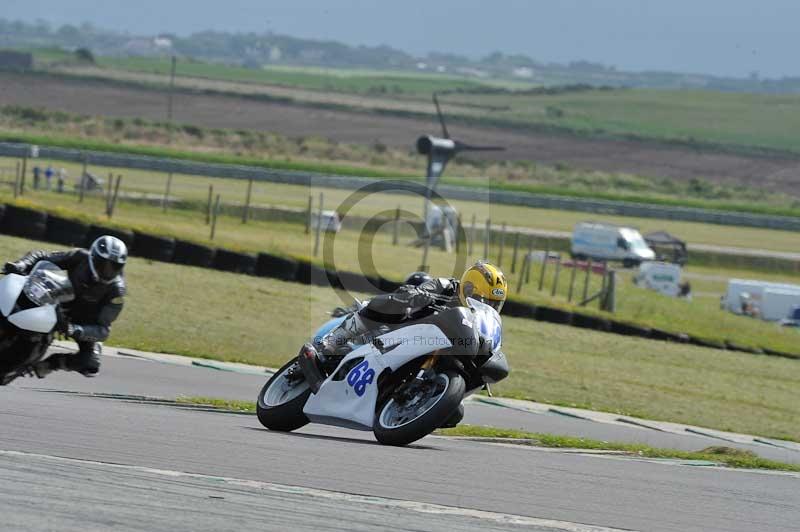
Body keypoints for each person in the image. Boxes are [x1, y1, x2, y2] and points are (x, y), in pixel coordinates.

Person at [316, 261, 507, 362]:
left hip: (430, 350)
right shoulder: (445, 285)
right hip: (403, 330)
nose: (487, 306)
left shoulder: (479, 321)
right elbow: (415, 292)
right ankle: (335, 339)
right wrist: (419, 294)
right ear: (468, 289)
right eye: (485, 300)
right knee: (392, 303)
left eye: (494, 304)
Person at [3, 236, 128, 377]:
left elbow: (102, 330)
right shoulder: (80, 257)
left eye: (114, 267)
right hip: (59, 301)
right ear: (93, 258)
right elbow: (43, 256)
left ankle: (51, 364)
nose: (108, 271)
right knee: (16, 299)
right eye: (103, 265)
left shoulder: (117, 293)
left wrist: (74, 329)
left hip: (81, 322)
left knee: (90, 364)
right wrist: (22, 264)